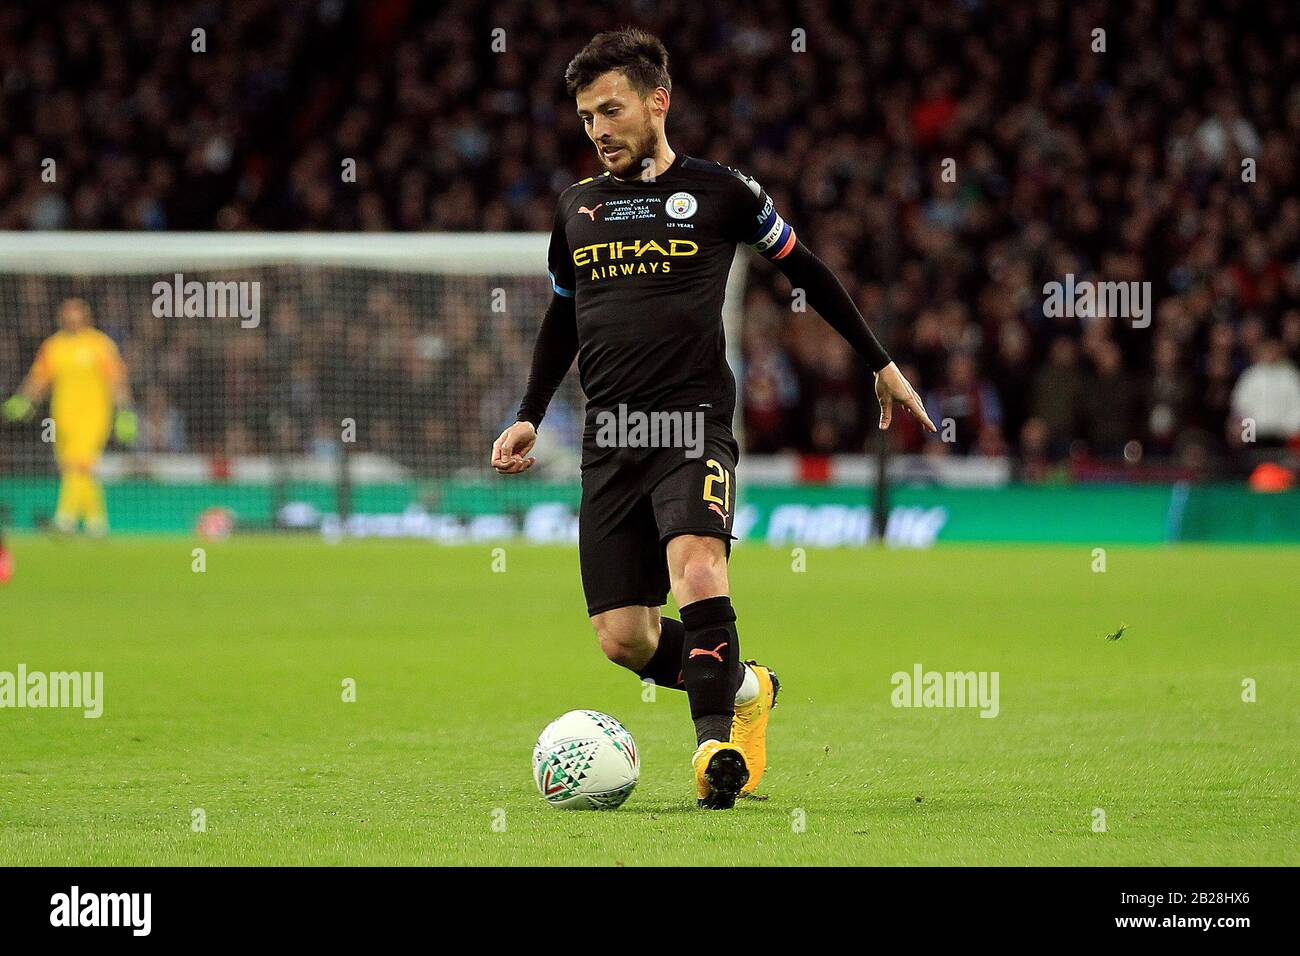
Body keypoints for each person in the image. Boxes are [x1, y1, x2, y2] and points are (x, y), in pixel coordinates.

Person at [491, 29, 934, 809]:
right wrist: (529, 412)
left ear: (658, 102)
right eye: (587, 116)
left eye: (611, 109)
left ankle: (711, 750)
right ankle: (747, 687)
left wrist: (882, 364)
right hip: (612, 439)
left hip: (692, 426)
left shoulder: (723, 192)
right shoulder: (578, 210)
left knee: (698, 567)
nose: (598, 129)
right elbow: (562, 317)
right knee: (622, 636)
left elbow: (811, 271)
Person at [3, 298, 136, 535]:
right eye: (68, 314)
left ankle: (65, 519)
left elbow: (116, 379)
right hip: (62, 415)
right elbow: (40, 378)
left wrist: (125, 410)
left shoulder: (100, 345)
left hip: (94, 414)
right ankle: (97, 522)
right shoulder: (53, 346)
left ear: (86, 316)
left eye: (77, 314)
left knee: (79, 461)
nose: (72, 318)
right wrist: (24, 399)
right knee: (74, 468)